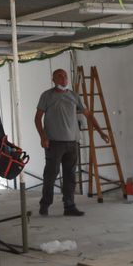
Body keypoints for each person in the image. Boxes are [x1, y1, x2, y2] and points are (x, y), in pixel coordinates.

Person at [34, 68, 108, 217]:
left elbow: (88, 114)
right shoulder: (47, 96)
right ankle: (45, 204)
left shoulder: (74, 96)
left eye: (65, 76)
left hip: (72, 142)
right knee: (51, 174)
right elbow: (37, 118)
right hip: (54, 143)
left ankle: (69, 206)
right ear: (53, 80)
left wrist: (100, 132)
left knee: (70, 176)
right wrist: (43, 137)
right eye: (59, 76)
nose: (63, 79)